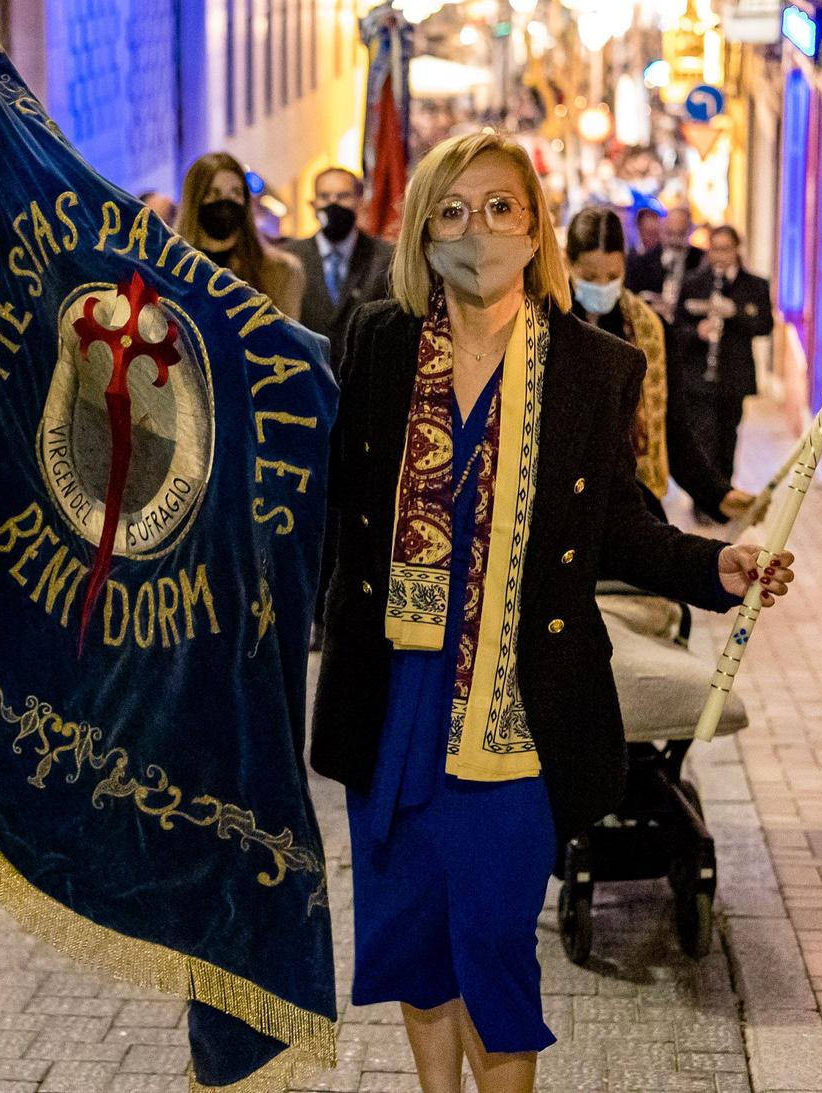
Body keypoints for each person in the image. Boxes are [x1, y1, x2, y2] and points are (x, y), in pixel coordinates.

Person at [309, 130, 792, 1093]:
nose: (476, 228)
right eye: (452, 210)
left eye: (498, 207)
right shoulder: (379, 341)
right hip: (394, 696)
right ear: (421, 230)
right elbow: (319, 489)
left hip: (515, 706)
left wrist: (717, 565)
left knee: (493, 942)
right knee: (413, 936)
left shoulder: (592, 366)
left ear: (534, 225)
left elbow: (617, 521)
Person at [566, 207, 753, 525]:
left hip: (630, 505)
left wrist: (718, 494)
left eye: (612, 276)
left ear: (624, 264)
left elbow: (675, 432)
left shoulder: (649, 330)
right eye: (589, 277)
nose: (601, 286)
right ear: (567, 263)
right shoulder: (545, 326)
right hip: (561, 507)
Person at [673, 224, 775, 481]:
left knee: (728, 436)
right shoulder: (694, 283)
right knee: (703, 436)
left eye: (725, 249)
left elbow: (765, 326)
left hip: (733, 376)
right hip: (699, 376)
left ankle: (724, 490)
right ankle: (704, 501)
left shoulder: (755, 285)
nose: (719, 256)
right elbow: (675, 329)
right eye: (714, 249)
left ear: (736, 250)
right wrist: (698, 331)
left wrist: (736, 312)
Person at [178, 150, 306, 320]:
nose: (226, 202)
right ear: (194, 201)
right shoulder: (173, 271)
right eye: (213, 193)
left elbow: (288, 341)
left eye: (235, 193)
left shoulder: (281, 272)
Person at [283, 166, 394, 344]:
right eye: (324, 196)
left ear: (360, 202)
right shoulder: (289, 259)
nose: (333, 203)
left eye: (343, 196)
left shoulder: (386, 258)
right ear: (313, 205)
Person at [625, 200, 703, 321]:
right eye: (670, 233)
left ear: (690, 231)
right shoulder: (641, 262)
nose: (674, 240)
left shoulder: (701, 260)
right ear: (662, 230)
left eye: (680, 234)